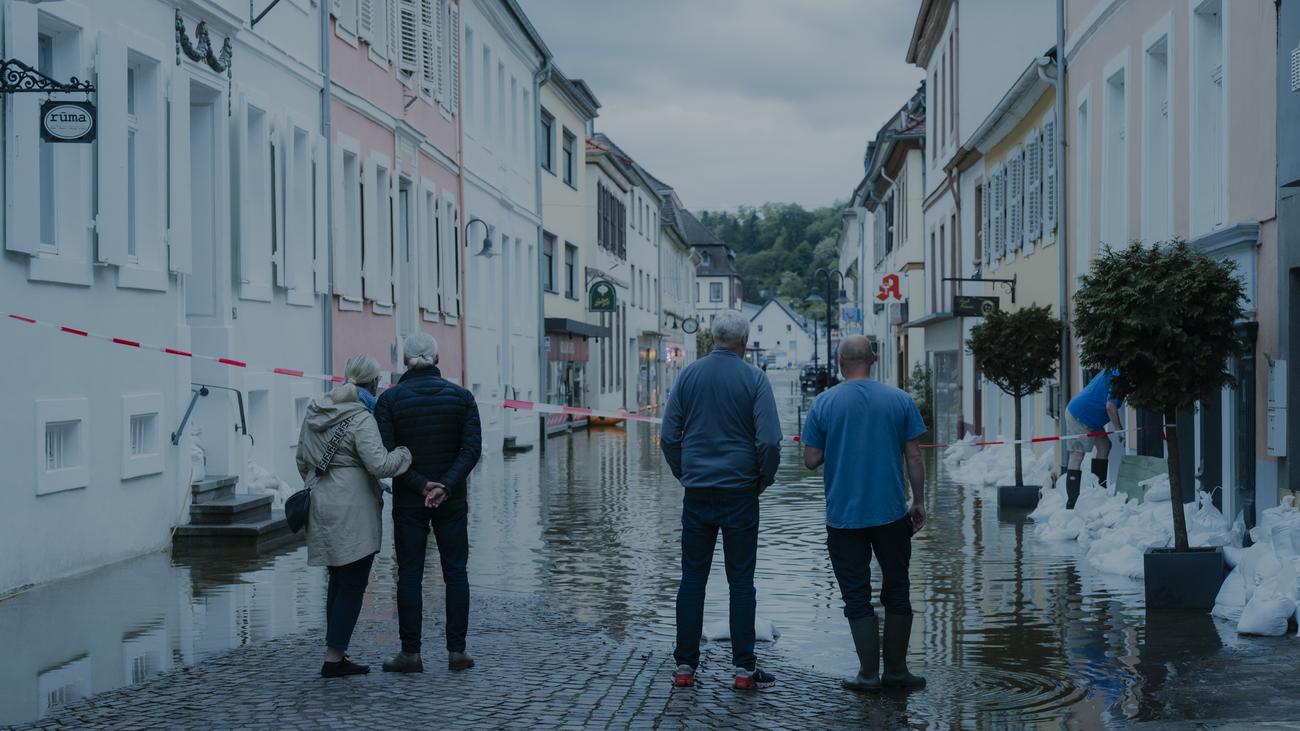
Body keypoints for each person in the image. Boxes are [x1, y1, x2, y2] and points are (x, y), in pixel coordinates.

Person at [660, 310, 783, 691]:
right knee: (741, 582)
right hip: (741, 493)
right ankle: (744, 671)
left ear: (712, 338)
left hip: (697, 493)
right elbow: (769, 442)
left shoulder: (689, 376)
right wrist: (762, 479)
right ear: (744, 342)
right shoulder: (755, 379)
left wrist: (685, 473)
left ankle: (684, 666)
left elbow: (668, 436)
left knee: (692, 579)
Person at [801, 335, 927, 692]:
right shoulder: (900, 400)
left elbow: (810, 460)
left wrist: (837, 443)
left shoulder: (824, 403)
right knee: (897, 589)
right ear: (873, 358)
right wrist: (918, 501)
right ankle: (898, 672)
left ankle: (868, 675)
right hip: (891, 514)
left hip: (844, 518)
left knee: (856, 595)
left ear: (840, 362)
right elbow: (914, 457)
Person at [296, 355, 412, 678]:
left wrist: (320, 487)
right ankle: (334, 658)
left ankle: (335, 652)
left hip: (322, 504)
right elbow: (380, 465)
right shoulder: (362, 418)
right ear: (373, 383)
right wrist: (405, 453)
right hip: (353, 509)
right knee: (353, 582)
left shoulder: (316, 409)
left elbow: (301, 458)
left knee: (337, 578)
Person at [375, 332, 482, 673]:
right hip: (452, 500)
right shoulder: (462, 398)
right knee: (456, 572)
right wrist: (446, 486)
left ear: (404, 361)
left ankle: (410, 654)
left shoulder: (389, 401)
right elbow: (471, 450)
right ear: (437, 360)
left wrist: (421, 485)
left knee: (409, 574)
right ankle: (457, 652)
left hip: (409, 500)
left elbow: (386, 454)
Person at [1064, 369, 1124, 510]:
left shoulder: (1112, 368)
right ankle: (1072, 503)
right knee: (1077, 455)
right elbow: (1111, 407)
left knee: (1104, 446)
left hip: (1091, 417)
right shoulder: (1117, 376)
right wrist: (1119, 430)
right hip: (1079, 416)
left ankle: (1098, 492)